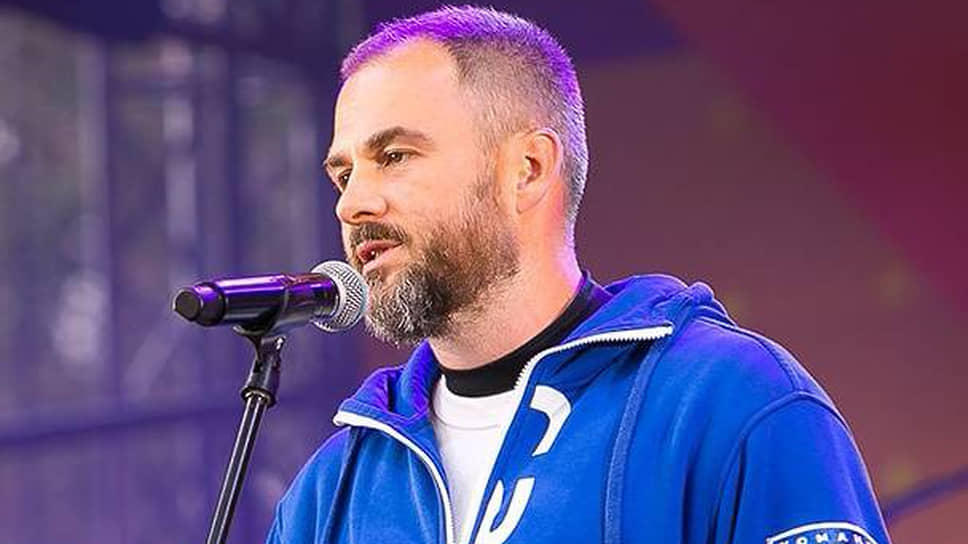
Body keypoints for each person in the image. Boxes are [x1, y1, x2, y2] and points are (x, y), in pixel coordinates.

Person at [266, 6, 891, 544]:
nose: (352, 204)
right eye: (344, 175)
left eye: (394, 156)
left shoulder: (730, 399)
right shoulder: (330, 490)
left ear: (529, 169)